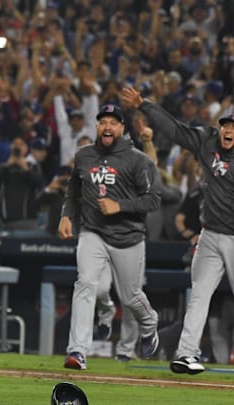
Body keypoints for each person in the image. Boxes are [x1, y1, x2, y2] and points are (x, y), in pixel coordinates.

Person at [121, 86, 234, 374]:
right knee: (199, 295)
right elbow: (173, 129)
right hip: (210, 235)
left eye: (233, 127)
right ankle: (186, 354)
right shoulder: (207, 141)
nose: (228, 130)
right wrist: (144, 105)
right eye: (226, 125)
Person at [59, 104, 162, 370]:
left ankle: (150, 324)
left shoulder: (138, 159)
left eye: (113, 123)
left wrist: (120, 206)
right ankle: (77, 351)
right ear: (97, 127)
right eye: (102, 122)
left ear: (122, 129)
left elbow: (153, 199)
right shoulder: (84, 156)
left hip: (128, 236)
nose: (107, 127)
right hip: (93, 232)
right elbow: (73, 189)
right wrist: (66, 215)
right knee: (85, 284)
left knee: (129, 298)